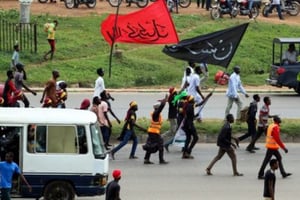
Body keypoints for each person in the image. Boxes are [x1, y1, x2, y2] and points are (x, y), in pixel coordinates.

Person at [143, 95, 169, 164]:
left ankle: (146, 159)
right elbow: (161, 108)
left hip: (152, 132)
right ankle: (161, 160)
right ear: (157, 108)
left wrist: (164, 100)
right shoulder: (156, 114)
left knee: (150, 145)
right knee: (160, 145)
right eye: (158, 108)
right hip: (154, 133)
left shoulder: (156, 114)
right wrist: (164, 101)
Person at [162, 87, 178, 152]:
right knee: (175, 132)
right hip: (173, 117)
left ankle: (161, 137)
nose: (176, 92)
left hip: (172, 116)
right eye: (175, 91)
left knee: (171, 131)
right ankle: (166, 143)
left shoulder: (172, 97)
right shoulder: (173, 97)